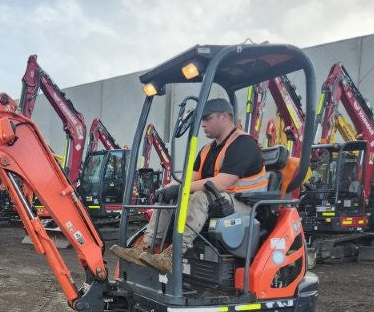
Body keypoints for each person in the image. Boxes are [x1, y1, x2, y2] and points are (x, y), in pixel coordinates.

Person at [110, 98, 267, 273]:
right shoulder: (207, 149)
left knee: (199, 196)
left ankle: (173, 256)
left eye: (207, 118)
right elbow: (188, 179)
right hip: (219, 199)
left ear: (224, 117)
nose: (202, 124)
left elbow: (222, 183)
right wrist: (167, 189)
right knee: (170, 195)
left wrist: (180, 189)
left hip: (244, 204)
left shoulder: (243, 144)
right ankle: (145, 246)